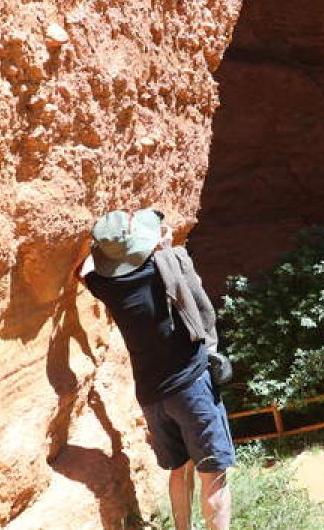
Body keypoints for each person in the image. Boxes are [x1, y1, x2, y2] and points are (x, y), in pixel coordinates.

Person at [77, 209, 234, 530]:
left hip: (151, 397)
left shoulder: (104, 286)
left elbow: (81, 271)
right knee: (213, 474)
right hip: (191, 387)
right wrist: (163, 247)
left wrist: (107, 252)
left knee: (180, 470)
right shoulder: (160, 266)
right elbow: (192, 290)